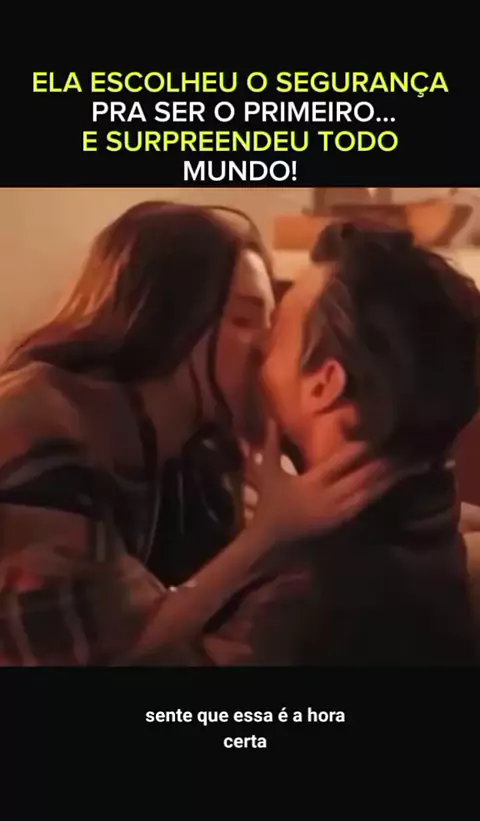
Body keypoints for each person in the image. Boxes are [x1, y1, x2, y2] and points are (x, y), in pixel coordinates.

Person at [0, 203, 402, 666]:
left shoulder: (191, 448)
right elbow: (113, 648)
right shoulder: (40, 431)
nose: (266, 347)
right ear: (164, 321)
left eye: (271, 325)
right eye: (244, 321)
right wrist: (270, 533)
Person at [203, 221, 480, 666]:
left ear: (324, 384)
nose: (258, 348)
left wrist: (260, 542)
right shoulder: (426, 510)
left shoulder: (304, 601)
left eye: (277, 332)